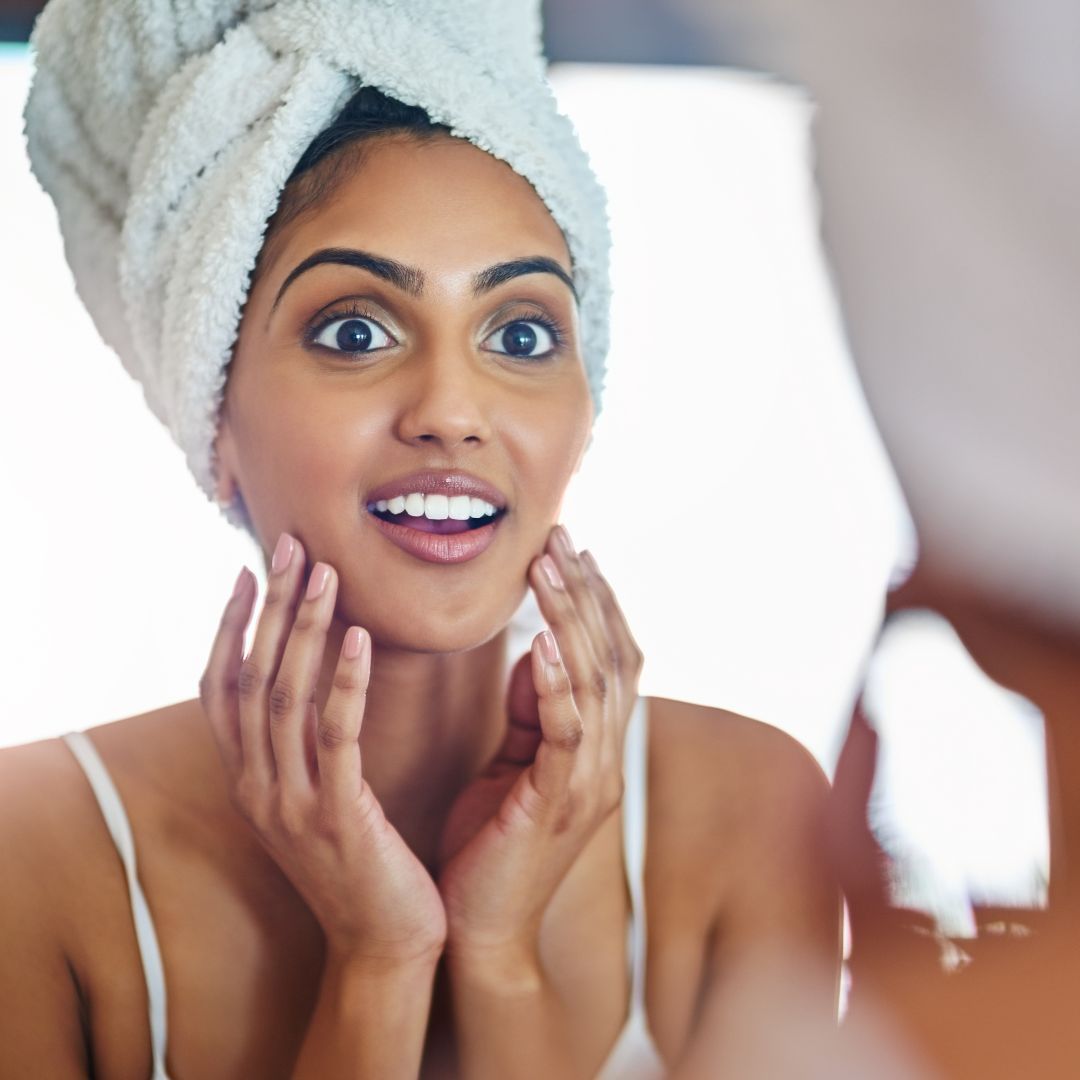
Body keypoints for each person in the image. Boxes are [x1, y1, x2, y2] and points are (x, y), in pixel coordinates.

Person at [2, 1, 840, 1076]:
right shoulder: (29, 855)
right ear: (213, 419)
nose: (453, 407)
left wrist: (497, 957)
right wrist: (380, 958)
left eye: (522, 333)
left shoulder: (746, 810)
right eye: (355, 331)